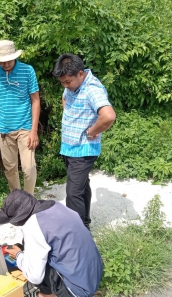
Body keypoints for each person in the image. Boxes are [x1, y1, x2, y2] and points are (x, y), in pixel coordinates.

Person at [0, 189, 103, 297]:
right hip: (94, 273)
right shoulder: (56, 206)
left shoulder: (33, 226)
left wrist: (19, 255)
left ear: (17, 218)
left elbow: (35, 276)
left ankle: (46, 295)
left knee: (35, 266)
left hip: (77, 291)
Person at [52, 54, 116, 230]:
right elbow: (65, 97)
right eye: (62, 82)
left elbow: (109, 116)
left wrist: (93, 130)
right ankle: (84, 223)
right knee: (81, 186)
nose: (65, 86)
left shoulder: (92, 89)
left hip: (83, 148)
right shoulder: (72, 85)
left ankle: (77, 233)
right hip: (70, 147)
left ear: (80, 74)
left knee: (73, 193)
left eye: (67, 82)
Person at [0, 40, 40, 195]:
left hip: (25, 127)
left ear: (14, 56)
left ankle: (29, 199)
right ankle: (17, 200)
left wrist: (34, 131)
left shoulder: (28, 71)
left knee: (29, 168)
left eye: (8, 60)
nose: (5, 64)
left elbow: (35, 100)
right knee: (10, 168)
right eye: (1, 61)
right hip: (5, 129)